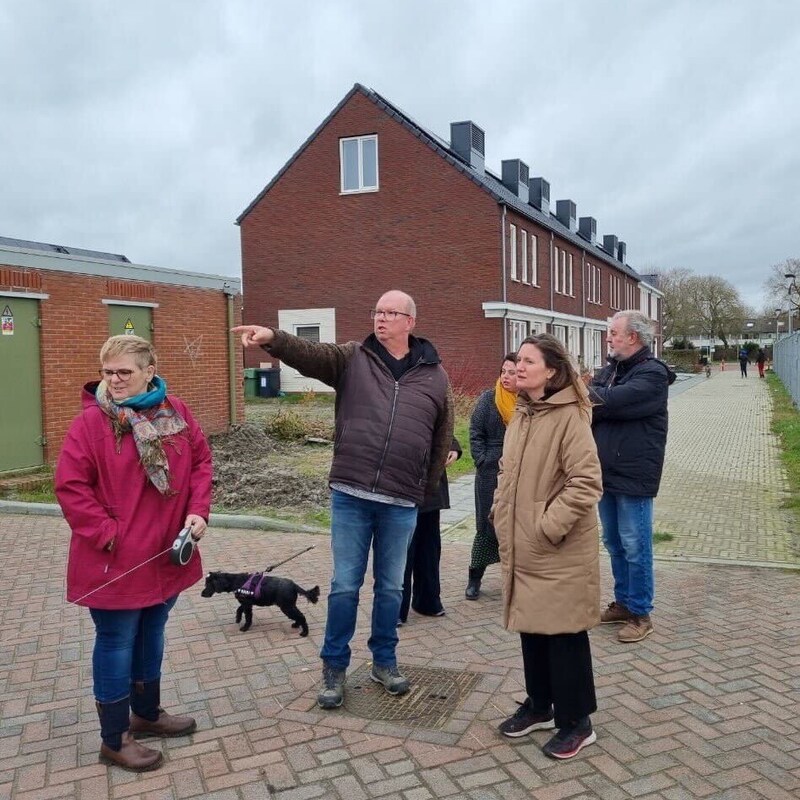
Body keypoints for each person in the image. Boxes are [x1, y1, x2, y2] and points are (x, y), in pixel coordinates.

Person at [233, 290, 453, 709]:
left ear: (410, 321)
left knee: (390, 588)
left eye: (391, 313)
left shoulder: (435, 376)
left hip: (401, 502)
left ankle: (384, 661)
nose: (381, 318)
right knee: (345, 587)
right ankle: (334, 668)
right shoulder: (353, 358)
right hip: (351, 495)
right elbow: (310, 354)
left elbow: (441, 438)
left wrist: (423, 493)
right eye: (377, 311)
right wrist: (272, 339)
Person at [55, 335, 212, 772]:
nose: (115, 380)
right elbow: (71, 487)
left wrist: (199, 511)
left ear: (149, 370)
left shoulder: (176, 413)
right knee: (117, 640)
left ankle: (146, 713)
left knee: (152, 632)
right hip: (115, 560)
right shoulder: (90, 425)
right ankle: (114, 738)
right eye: (108, 373)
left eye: (124, 371)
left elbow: (200, 461)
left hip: (166, 554)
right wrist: (110, 534)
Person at [494, 334, 602, 760]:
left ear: (551, 372)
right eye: (517, 359)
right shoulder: (523, 412)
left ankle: (578, 721)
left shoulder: (569, 416)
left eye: (528, 361)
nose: (518, 367)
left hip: (556, 547)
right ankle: (540, 704)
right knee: (532, 627)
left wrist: (547, 526)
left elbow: (587, 482)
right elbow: (509, 471)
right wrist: (500, 514)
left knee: (564, 634)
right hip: (523, 544)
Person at [586, 311, 675, 644]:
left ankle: (641, 613)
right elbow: (595, 399)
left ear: (633, 337)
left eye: (613, 332)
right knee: (614, 543)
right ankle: (623, 602)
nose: (608, 338)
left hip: (634, 474)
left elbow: (605, 401)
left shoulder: (652, 375)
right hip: (605, 473)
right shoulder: (611, 370)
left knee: (636, 545)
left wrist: (593, 398)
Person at [465, 354, 518, 600]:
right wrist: (482, 458)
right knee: (487, 524)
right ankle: (475, 577)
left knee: (516, 528)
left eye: (512, 372)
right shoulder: (489, 399)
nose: (506, 377)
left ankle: (515, 582)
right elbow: (475, 431)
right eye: (503, 371)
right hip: (490, 471)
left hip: (519, 470)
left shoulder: (528, 402)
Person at [399, 437, 461, 624]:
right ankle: (396, 608)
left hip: (431, 485)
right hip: (401, 483)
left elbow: (442, 424)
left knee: (429, 550)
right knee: (402, 552)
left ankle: (427, 601)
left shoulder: (436, 406)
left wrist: (453, 447)